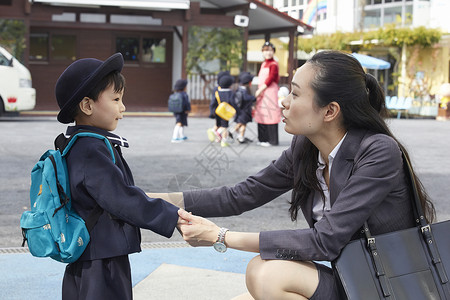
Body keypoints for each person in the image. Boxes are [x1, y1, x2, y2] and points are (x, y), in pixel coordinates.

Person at [170, 51, 436, 299]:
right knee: (260, 269)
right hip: (350, 278)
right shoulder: (306, 148)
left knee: (268, 275)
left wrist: (221, 236)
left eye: (295, 95)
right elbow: (242, 195)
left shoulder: (379, 151)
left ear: (330, 111)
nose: (284, 102)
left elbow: (326, 240)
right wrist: (145, 200)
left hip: (389, 284)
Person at [54, 53, 181, 300]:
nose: (122, 108)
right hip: (102, 258)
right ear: (88, 106)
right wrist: (171, 216)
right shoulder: (91, 149)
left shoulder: (80, 144)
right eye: (116, 99)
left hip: (89, 255)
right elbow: (120, 198)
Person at [254, 41, 281, 147]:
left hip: (269, 91)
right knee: (261, 113)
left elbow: (270, 79)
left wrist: (260, 90)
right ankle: (262, 139)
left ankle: (272, 140)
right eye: (265, 50)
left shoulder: (274, 64)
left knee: (270, 113)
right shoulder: (264, 63)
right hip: (262, 91)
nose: (268, 53)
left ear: (273, 52)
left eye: (270, 50)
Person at [210, 74, 235, 147]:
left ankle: (214, 131)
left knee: (218, 124)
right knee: (225, 127)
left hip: (218, 112)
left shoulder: (217, 92)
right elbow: (233, 103)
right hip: (225, 113)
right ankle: (224, 141)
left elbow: (213, 103)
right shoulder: (230, 93)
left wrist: (212, 112)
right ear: (230, 85)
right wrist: (236, 111)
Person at [232, 71, 256, 144]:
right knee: (241, 124)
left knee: (242, 124)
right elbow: (246, 98)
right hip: (244, 111)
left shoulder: (239, 89)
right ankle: (232, 132)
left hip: (241, 110)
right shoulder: (243, 90)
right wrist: (253, 98)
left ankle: (240, 137)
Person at [207, 70, 230, 142]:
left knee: (218, 124)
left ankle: (218, 137)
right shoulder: (222, 89)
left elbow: (213, 101)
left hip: (217, 110)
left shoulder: (217, 88)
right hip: (221, 110)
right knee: (223, 125)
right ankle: (214, 131)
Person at [170, 79, 191, 143]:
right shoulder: (184, 94)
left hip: (176, 111)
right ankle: (174, 137)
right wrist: (188, 109)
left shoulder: (175, 94)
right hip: (183, 111)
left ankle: (182, 136)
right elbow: (187, 103)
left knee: (181, 123)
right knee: (179, 123)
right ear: (184, 87)